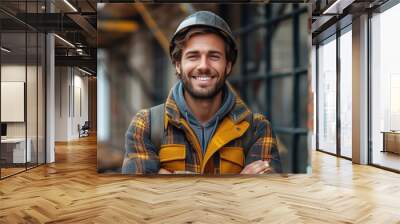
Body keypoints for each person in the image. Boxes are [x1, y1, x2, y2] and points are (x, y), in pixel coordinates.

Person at [122, 11, 282, 175]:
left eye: (214, 56)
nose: (203, 66)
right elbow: (137, 194)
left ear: (228, 65)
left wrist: (171, 180)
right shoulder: (146, 125)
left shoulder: (257, 128)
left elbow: (265, 196)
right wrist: (237, 185)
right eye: (193, 56)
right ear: (178, 65)